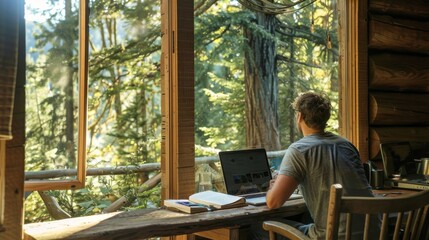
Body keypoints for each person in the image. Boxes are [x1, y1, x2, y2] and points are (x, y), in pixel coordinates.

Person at [251, 91, 377, 239]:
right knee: (306, 218)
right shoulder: (347, 145)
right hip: (373, 233)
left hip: (334, 236)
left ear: (299, 116)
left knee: (257, 227)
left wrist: (273, 187)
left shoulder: (299, 149)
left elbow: (273, 202)